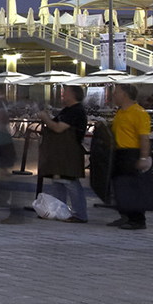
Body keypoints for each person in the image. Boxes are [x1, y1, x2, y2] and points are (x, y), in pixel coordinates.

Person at [38, 84, 91, 223]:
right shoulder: (67, 110)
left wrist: (45, 117)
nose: (63, 95)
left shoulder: (76, 111)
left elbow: (58, 128)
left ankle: (79, 214)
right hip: (60, 152)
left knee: (70, 182)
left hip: (69, 152)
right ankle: (58, 211)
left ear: (73, 95)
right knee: (58, 181)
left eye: (65, 93)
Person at [109, 83, 153, 230]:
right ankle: (125, 216)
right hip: (119, 153)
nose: (113, 95)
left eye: (116, 92)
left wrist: (143, 158)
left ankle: (138, 220)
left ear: (125, 95)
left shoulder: (139, 113)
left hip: (131, 153)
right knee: (119, 186)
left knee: (132, 188)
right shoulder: (120, 112)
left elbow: (144, 137)